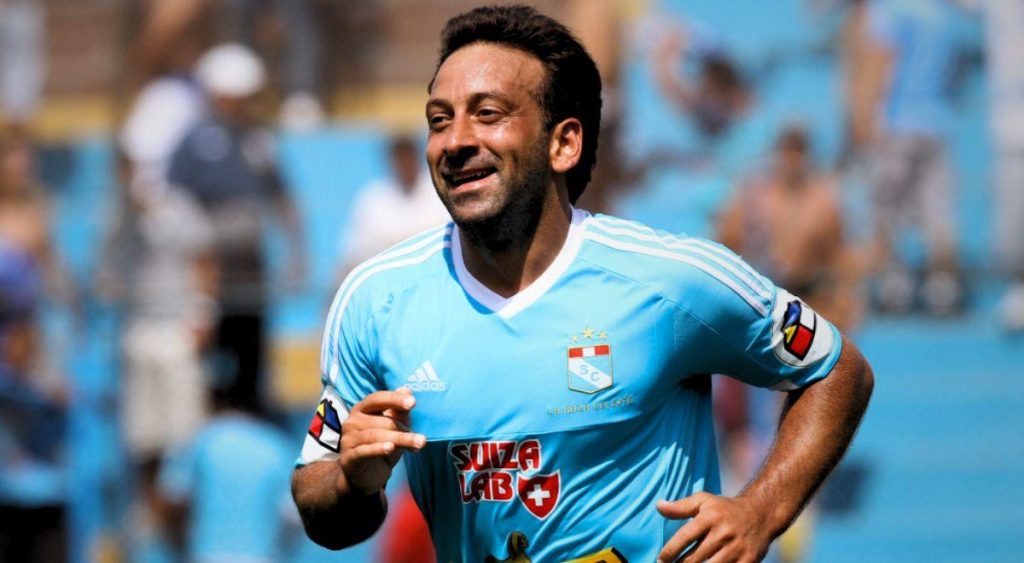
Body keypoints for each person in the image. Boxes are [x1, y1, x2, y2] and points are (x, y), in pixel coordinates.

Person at [291, 5, 873, 562]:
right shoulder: (377, 302)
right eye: (439, 120)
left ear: (564, 143)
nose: (455, 140)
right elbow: (319, 499)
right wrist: (352, 480)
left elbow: (836, 369)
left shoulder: (672, 281)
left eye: (487, 113)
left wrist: (761, 511)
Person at [168, 43, 307, 412]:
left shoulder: (258, 141)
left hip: (250, 275)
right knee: (208, 362)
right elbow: (174, 204)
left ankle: (248, 414)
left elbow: (283, 198)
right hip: (207, 278)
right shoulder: (195, 142)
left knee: (250, 357)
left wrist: (297, 254)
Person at [858, 0, 966, 315]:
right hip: (937, 123)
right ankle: (943, 289)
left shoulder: (889, 9)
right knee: (938, 210)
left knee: (887, 208)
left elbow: (880, 64)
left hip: (896, 124)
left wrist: (864, 119)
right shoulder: (944, 13)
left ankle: (894, 286)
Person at [157, 371, 298, 562]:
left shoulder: (200, 440)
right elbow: (293, 518)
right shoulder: (278, 446)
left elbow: (172, 499)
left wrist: (179, 547)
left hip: (206, 555)